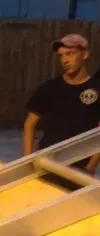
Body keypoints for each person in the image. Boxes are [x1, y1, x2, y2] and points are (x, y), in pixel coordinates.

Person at [23, 34, 100, 177]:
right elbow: (30, 123)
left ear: (85, 54)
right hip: (47, 163)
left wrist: (90, 167)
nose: (65, 60)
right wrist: (28, 160)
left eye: (70, 54)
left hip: (80, 167)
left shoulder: (96, 89)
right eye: (61, 56)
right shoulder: (50, 88)